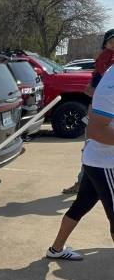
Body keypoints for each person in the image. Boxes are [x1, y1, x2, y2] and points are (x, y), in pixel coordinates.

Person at [47, 64, 114, 260]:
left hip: (97, 160)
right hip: (106, 163)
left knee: (82, 204)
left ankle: (56, 249)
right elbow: (96, 130)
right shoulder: (111, 83)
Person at [62, 29, 114, 195]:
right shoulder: (103, 60)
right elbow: (90, 89)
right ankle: (82, 184)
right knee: (90, 149)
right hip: (99, 114)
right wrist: (98, 93)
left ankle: (85, 186)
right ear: (106, 43)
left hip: (106, 114)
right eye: (112, 41)